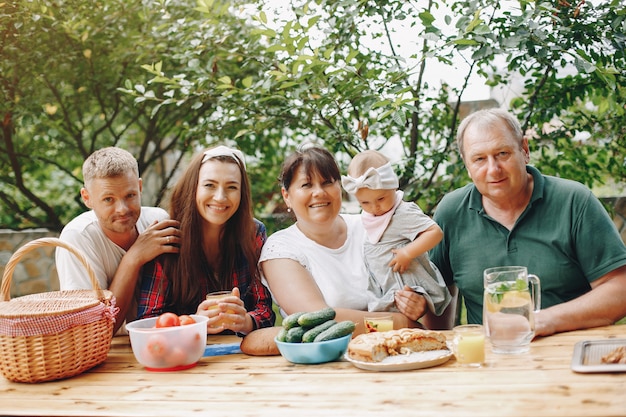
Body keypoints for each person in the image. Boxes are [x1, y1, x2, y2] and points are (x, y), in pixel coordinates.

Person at [430, 108, 626, 336]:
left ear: (524, 150)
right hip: (490, 360)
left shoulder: (574, 202)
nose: (493, 169)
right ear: (467, 165)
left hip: (568, 353)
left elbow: (619, 289)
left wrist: (541, 322)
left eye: (502, 153)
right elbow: (436, 293)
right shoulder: (451, 212)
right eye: (480, 159)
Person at [259, 145, 431, 335]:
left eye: (327, 182)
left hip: (396, 351)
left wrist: (417, 302)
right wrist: (400, 323)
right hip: (328, 361)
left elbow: (414, 281)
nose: (319, 192)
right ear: (287, 196)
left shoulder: (373, 227)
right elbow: (317, 319)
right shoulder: (280, 249)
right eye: (306, 185)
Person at [136, 145, 275, 335]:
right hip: (185, 355)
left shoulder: (253, 233)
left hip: (241, 356)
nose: (220, 197)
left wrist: (246, 321)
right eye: (209, 185)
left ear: (242, 194)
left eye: (232, 187)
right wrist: (195, 322)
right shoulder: (167, 236)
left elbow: (265, 310)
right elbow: (147, 322)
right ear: (193, 187)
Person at [56, 147, 181, 334]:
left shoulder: (157, 222)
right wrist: (133, 258)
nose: (122, 209)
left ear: (139, 187)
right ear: (87, 198)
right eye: (108, 199)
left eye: (130, 195)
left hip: (160, 339)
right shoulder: (77, 238)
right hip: (104, 352)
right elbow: (92, 329)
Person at [341, 150, 451, 316]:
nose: (374, 207)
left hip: (409, 288)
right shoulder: (369, 218)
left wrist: (408, 252)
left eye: (381, 199)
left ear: (393, 186)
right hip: (387, 289)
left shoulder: (402, 213)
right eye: (365, 202)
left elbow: (434, 232)